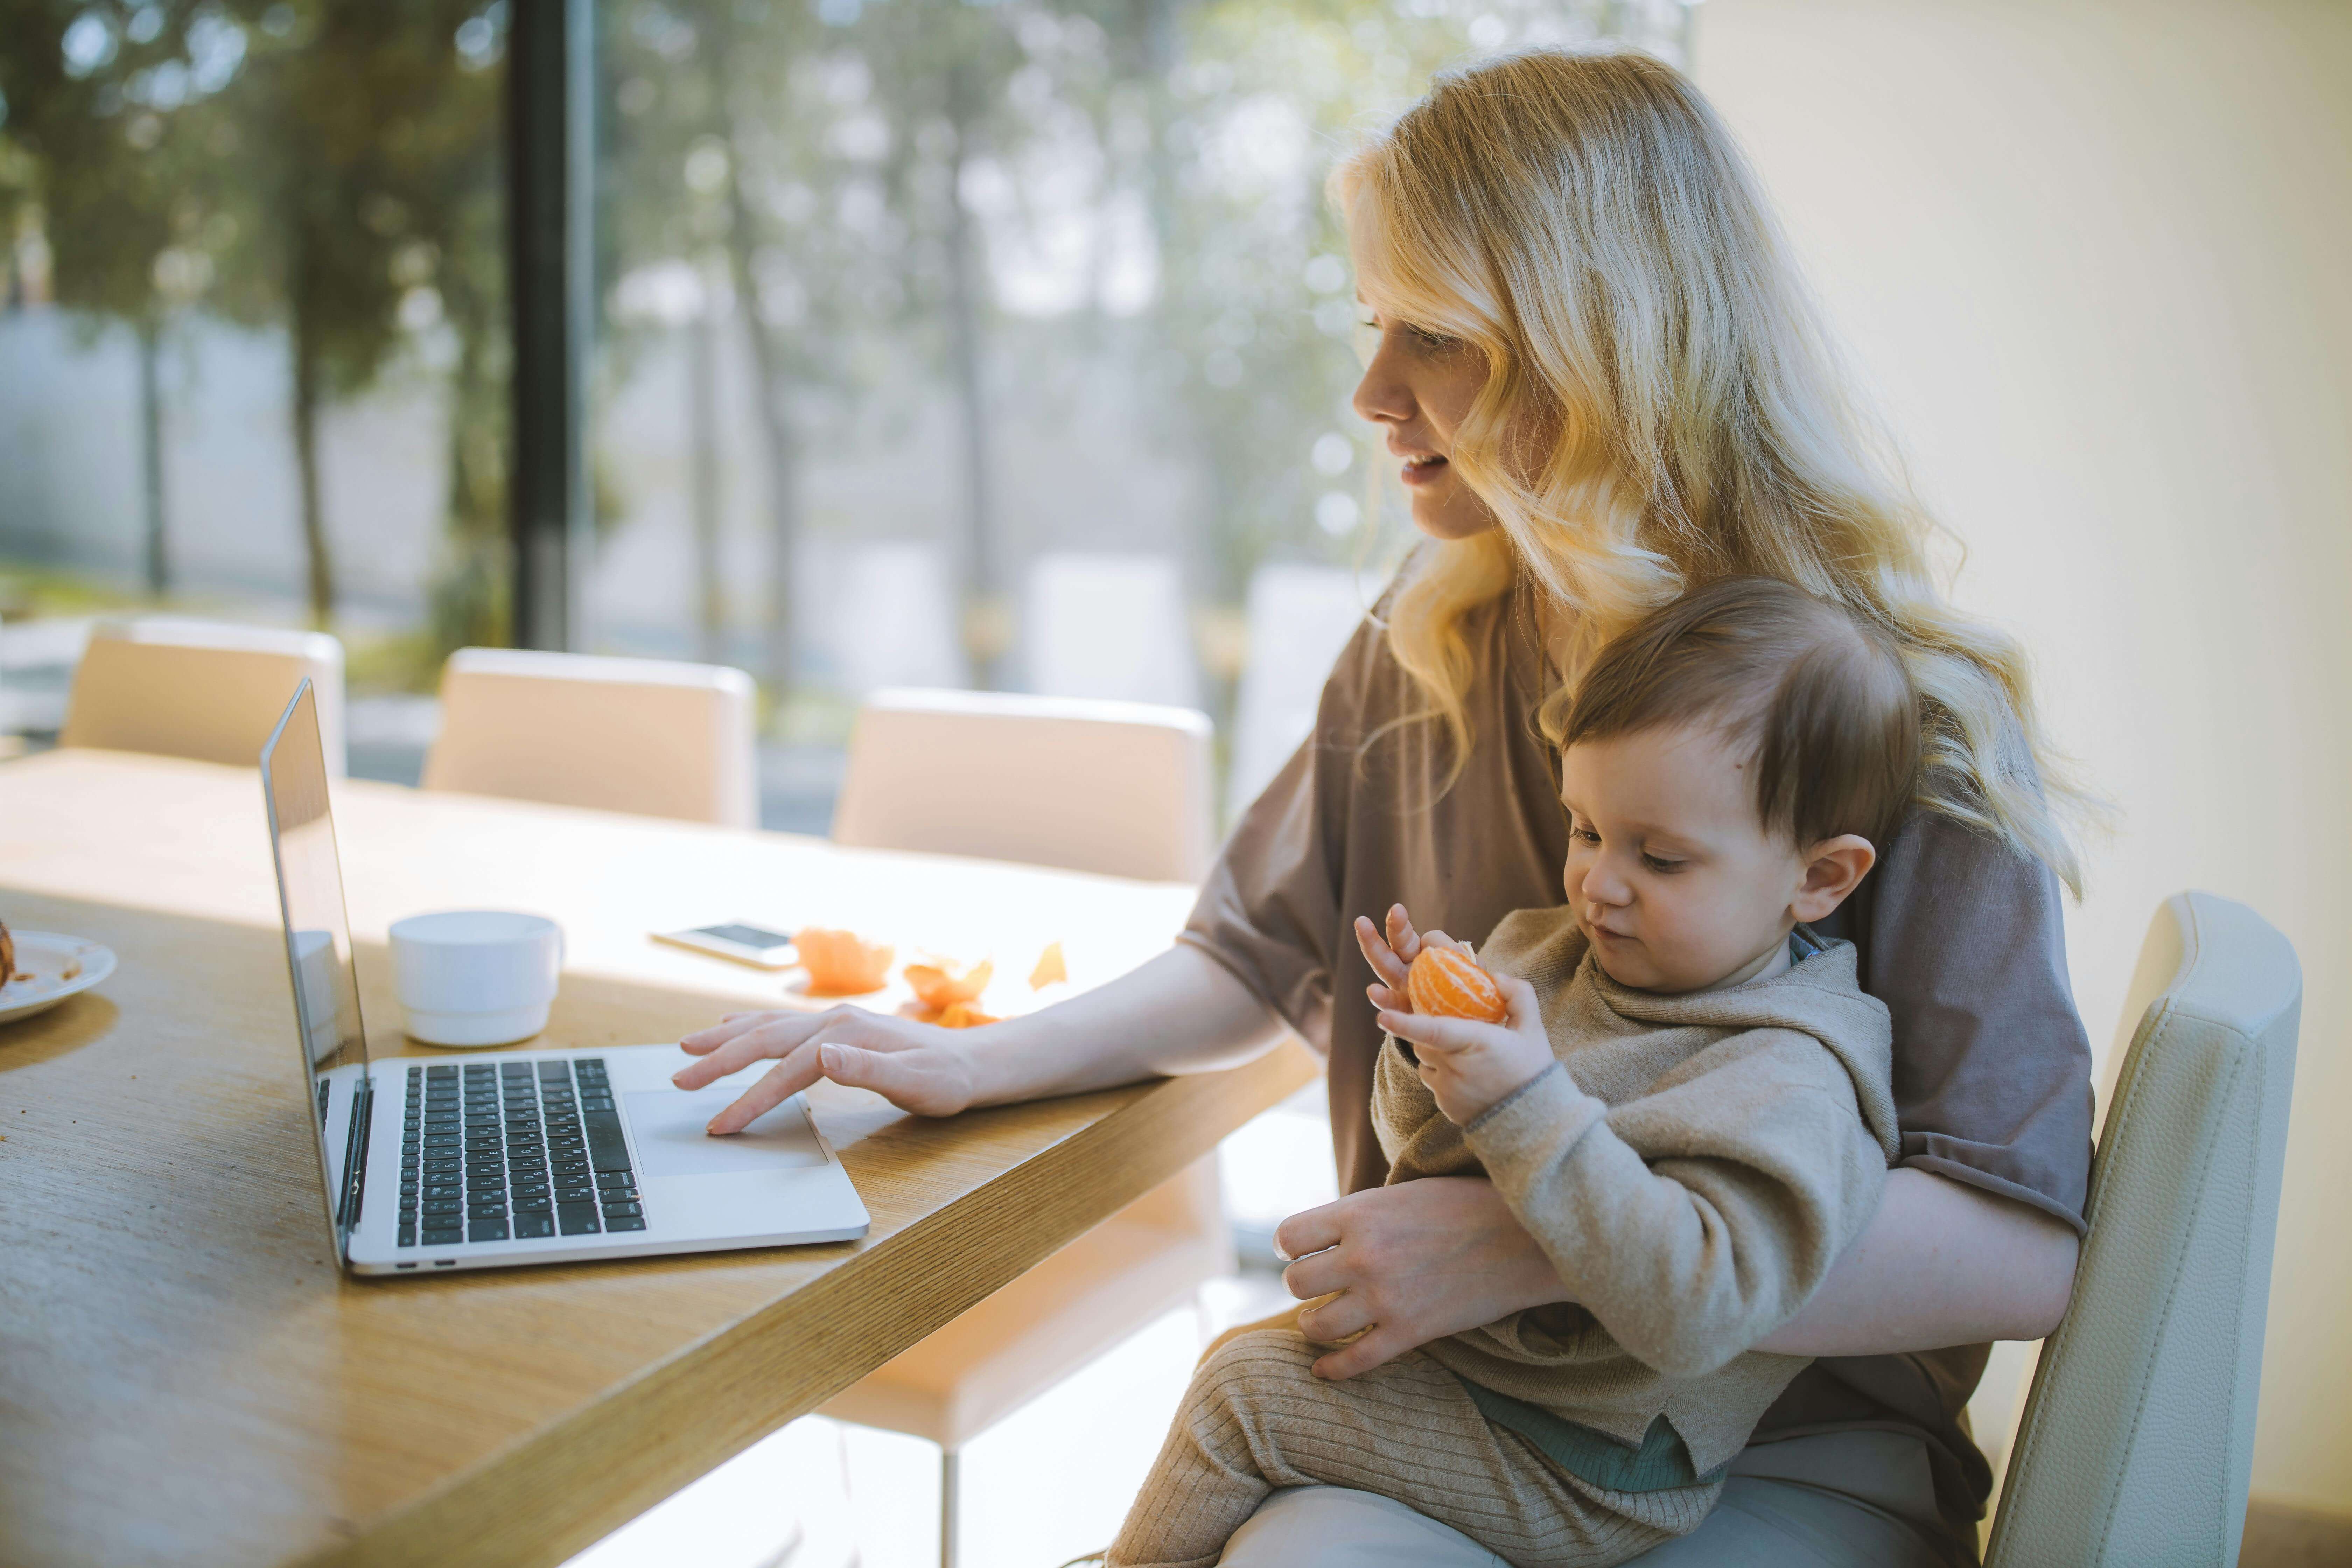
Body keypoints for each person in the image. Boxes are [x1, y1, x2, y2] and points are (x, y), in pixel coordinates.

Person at [676, 46, 2092, 1566]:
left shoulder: (1894, 717)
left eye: (1438, 336)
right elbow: (1253, 954)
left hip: (1779, 1447)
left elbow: (2017, 1247)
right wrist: (983, 1057)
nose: (1371, 392)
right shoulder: (1430, 637)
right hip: (1473, 1395)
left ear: (1598, 344)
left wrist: (1529, 1243)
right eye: (1372, 326)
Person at [1107, 576, 1921, 1567]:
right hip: (1482, 1382)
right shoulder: (1551, 954)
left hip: (1590, 1463)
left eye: (1661, 858)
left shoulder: (1793, 1071)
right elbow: (1427, 1156)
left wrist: (1527, 1101)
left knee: (1243, 1399)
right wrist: (1429, 1051)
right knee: (1250, 1365)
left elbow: (1701, 1310)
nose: (1597, 884)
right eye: (1586, 830)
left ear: (1821, 877)